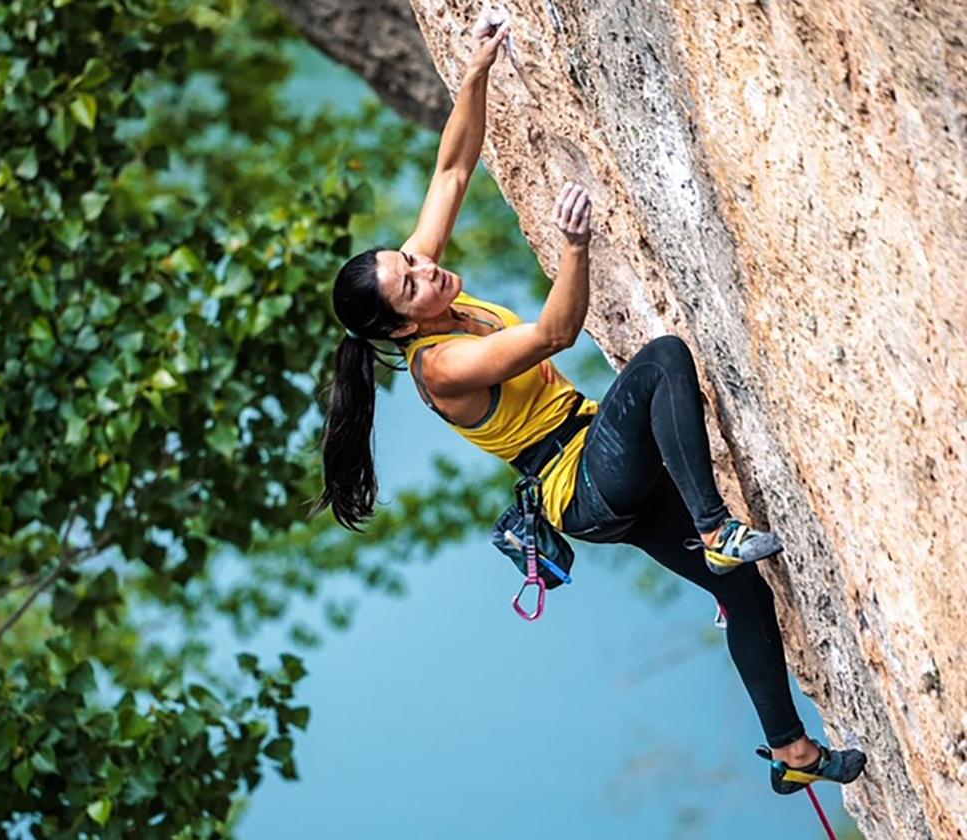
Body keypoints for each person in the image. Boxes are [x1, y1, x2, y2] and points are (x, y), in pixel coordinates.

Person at [313, 7, 867, 795]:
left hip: (597, 484)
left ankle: (792, 752)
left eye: (412, 259)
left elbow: (451, 172)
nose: (425, 266)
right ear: (401, 322)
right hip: (581, 482)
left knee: (742, 590)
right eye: (412, 280)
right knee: (664, 360)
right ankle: (714, 527)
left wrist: (475, 73)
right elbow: (551, 336)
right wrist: (575, 249)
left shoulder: (428, 291)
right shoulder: (440, 365)